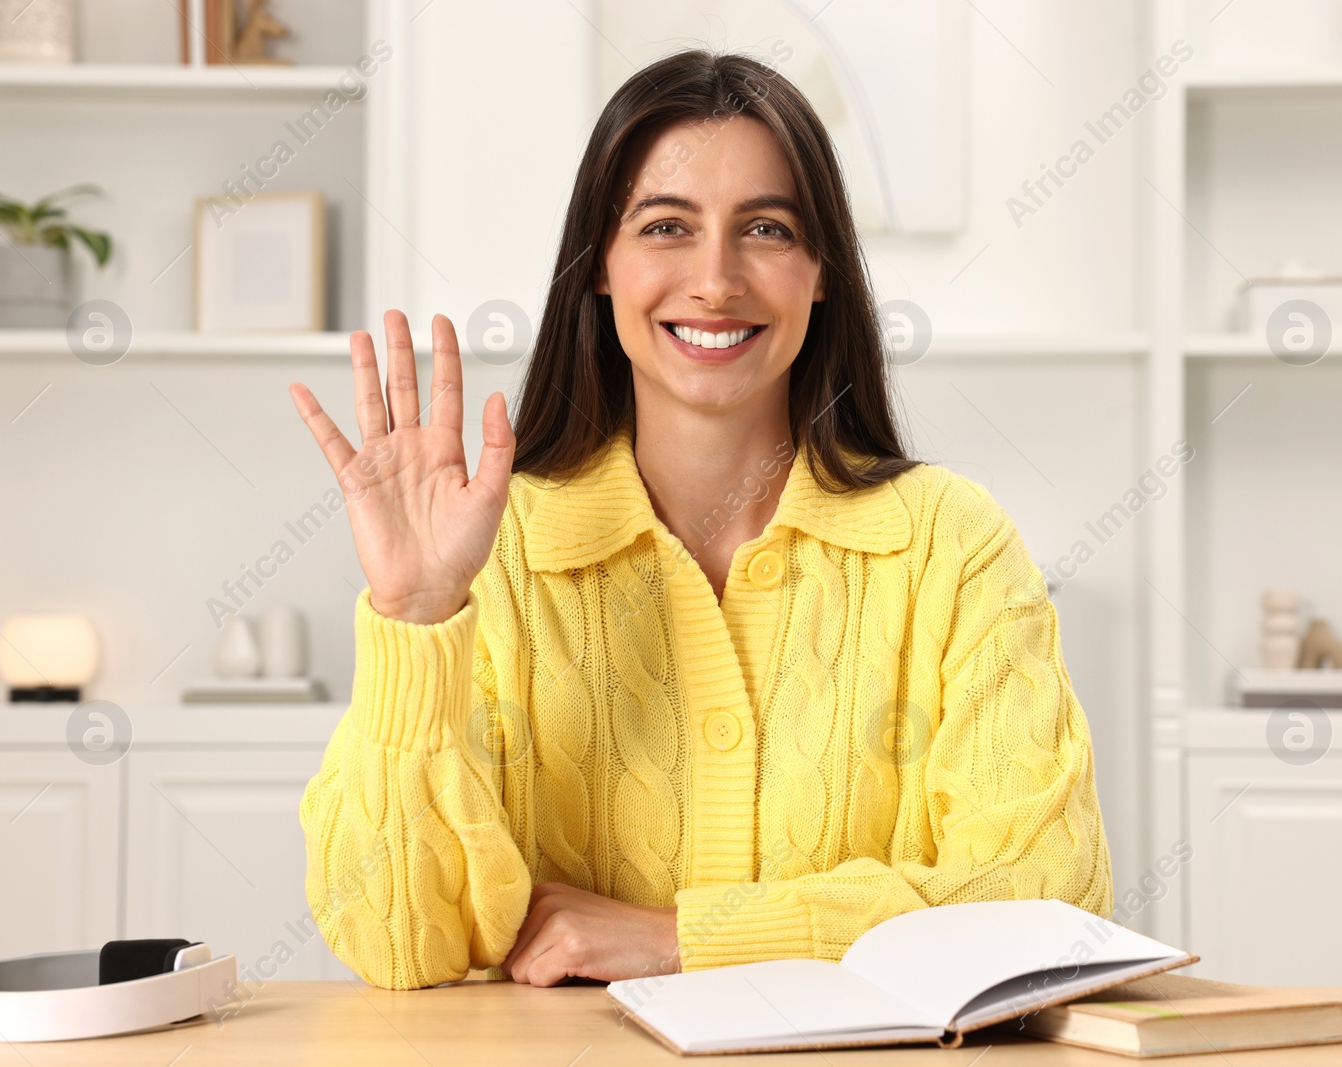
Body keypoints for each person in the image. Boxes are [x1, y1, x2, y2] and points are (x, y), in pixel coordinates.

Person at [289, 49, 1111, 991]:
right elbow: (398, 942)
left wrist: (687, 936)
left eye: (764, 228)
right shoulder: (495, 554)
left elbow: (1048, 900)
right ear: (600, 265)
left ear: (821, 273)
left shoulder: (950, 545)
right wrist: (417, 615)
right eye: (667, 227)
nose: (715, 281)